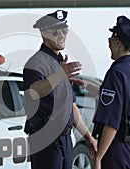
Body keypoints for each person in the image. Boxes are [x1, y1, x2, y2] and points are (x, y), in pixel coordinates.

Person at [23, 10, 97, 169]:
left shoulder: (60, 62)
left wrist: (88, 136)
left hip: (65, 139)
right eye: (56, 31)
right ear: (43, 33)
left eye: (65, 30)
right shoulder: (36, 63)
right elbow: (33, 92)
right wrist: (59, 76)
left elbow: (70, 106)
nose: (62, 35)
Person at [92, 15, 130, 169]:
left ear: (118, 43)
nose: (108, 42)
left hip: (118, 149)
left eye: (111, 38)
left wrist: (99, 157)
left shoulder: (116, 72)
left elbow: (112, 121)